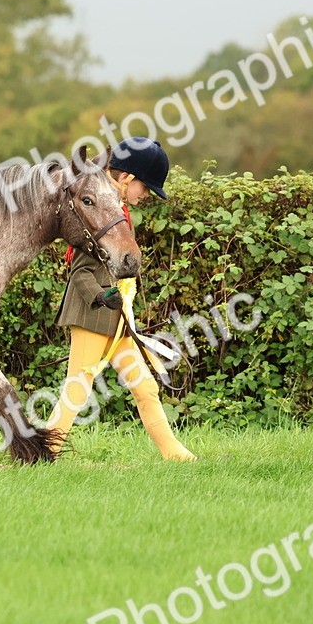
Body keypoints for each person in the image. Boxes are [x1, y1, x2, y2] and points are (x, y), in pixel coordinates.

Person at [48, 137, 196, 461]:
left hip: (118, 322)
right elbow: (79, 272)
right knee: (78, 387)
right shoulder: (101, 210)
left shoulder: (118, 210)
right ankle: (43, 452)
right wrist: (102, 297)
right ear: (127, 178)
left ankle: (176, 456)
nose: (145, 197)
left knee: (145, 387)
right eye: (145, 188)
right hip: (92, 314)